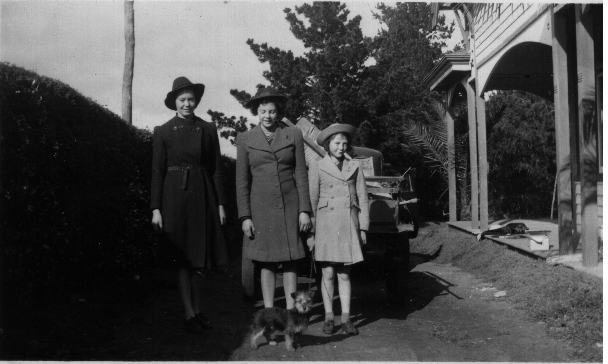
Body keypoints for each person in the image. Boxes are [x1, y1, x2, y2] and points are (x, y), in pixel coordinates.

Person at [150, 77, 228, 334]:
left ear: (196, 101)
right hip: (174, 197)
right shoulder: (163, 131)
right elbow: (157, 172)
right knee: (183, 259)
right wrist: (156, 208)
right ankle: (188, 313)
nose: (187, 103)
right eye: (182, 100)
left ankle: (198, 309)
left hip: (202, 194)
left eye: (191, 99)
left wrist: (220, 204)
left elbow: (217, 170)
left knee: (200, 259)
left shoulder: (208, 128)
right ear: (174, 102)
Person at [236, 87, 312, 310]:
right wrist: (245, 217)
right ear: (256, 112)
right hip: (261, 210)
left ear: (278, 112)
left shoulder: (294, 135)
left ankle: (290, 312)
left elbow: (301, 174)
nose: (267, 116)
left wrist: (304, 210)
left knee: (290, 261)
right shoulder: (245, 139)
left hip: (290, 206)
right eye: (262, 112)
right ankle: (269, 312)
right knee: (265, 262)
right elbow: (241, 182)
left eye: (271, 111)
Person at [307, 123, 369, 336]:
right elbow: (312, 200)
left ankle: (346, 319)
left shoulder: (355, 167)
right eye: (336, 143)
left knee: (344, 274)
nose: (341, 147)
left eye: (344, 143)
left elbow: (363, 198)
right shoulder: (317, 166)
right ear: (327, 144)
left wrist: (363, 229)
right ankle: (328, 317)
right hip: (325, 224)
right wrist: (311, 233)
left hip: (348, 224)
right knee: (328, 273)